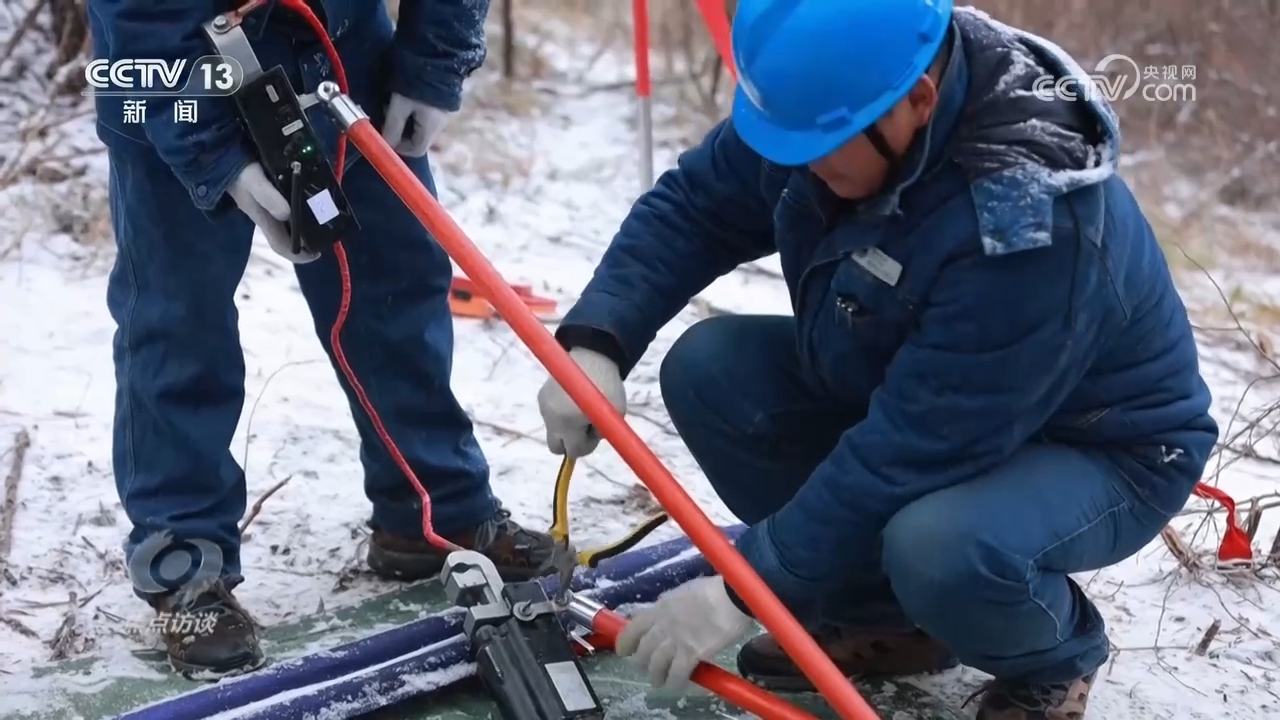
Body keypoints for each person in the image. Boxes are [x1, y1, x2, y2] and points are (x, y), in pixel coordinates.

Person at [535, 1, 1218, 718]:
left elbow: (910, 449)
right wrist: (598, 340)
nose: (797, 164)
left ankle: (1056, 654)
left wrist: (746, 589)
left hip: (1102, 446)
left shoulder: (1028, 218)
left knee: (942, 544)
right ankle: (882, 621)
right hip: (923, 390)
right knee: (713, 372)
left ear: (918, 102)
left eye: (819, 148)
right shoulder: (833, 101)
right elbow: (699, 206)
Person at [89, 0, 555, 677]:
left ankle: (432, 510)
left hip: (335, 39)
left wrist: (432, 64)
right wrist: (218, 157)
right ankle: (184, 568)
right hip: (168, 57)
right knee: (175, 315)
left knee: (394, 277)